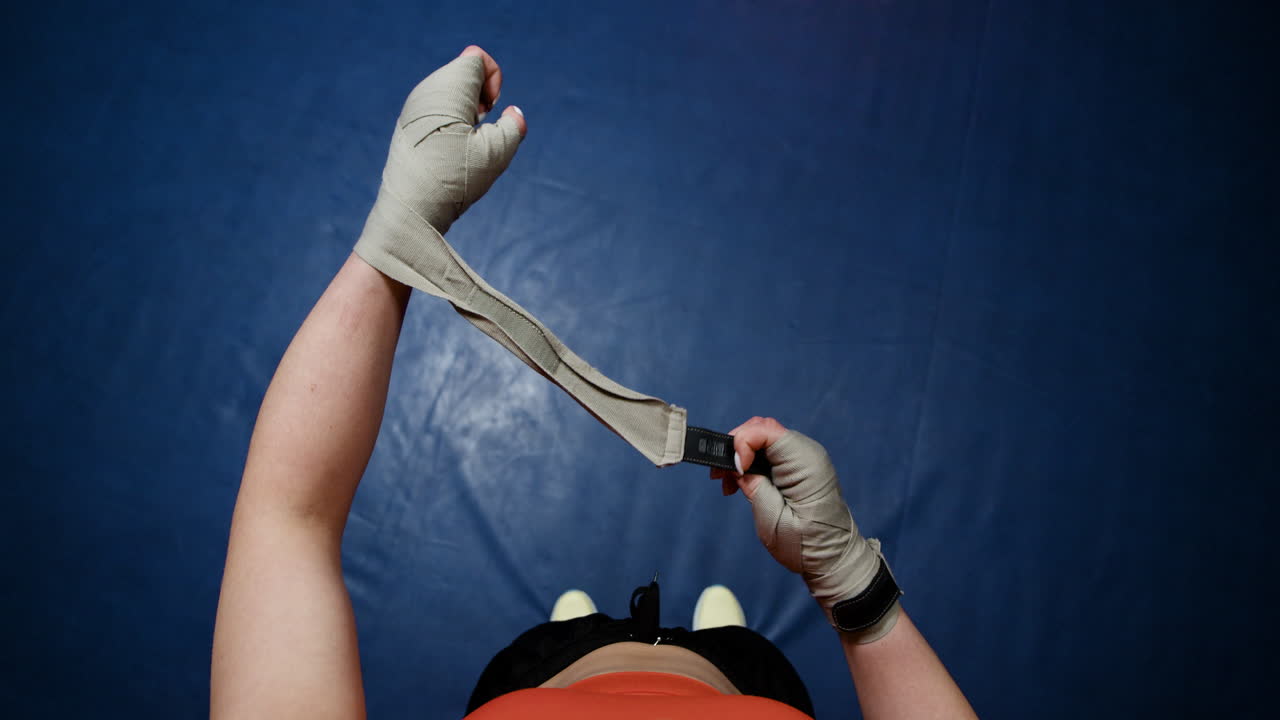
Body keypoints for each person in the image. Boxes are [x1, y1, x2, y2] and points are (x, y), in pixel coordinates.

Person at [210, 46, 978, 719]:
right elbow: (288, 522)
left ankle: (576, 626)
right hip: (745, 680)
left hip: (544, 672)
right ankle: (716, 634)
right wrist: (849, 581)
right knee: (728, 637)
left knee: (569, 628)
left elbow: (290, 520)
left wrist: (400, 230)